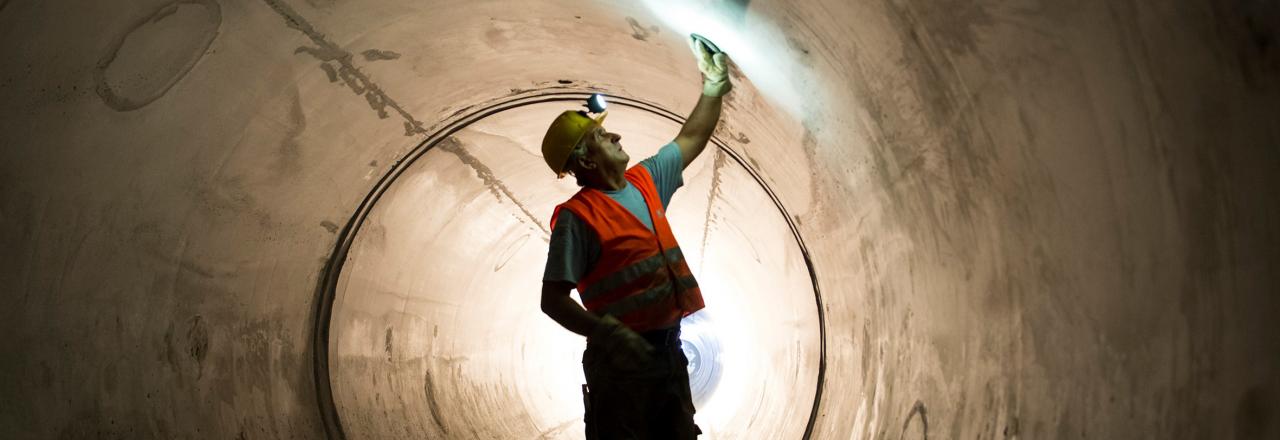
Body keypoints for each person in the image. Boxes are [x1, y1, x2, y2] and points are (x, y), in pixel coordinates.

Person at [539, 34, 732, 439]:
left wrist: (713, 87)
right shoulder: (577, 218)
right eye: (602, 137)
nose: (616, 137)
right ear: (587, 160)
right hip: (620, 369)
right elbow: (552, 300)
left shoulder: (645, 180)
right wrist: (605, 331)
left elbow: (692, 137)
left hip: (669, 354)